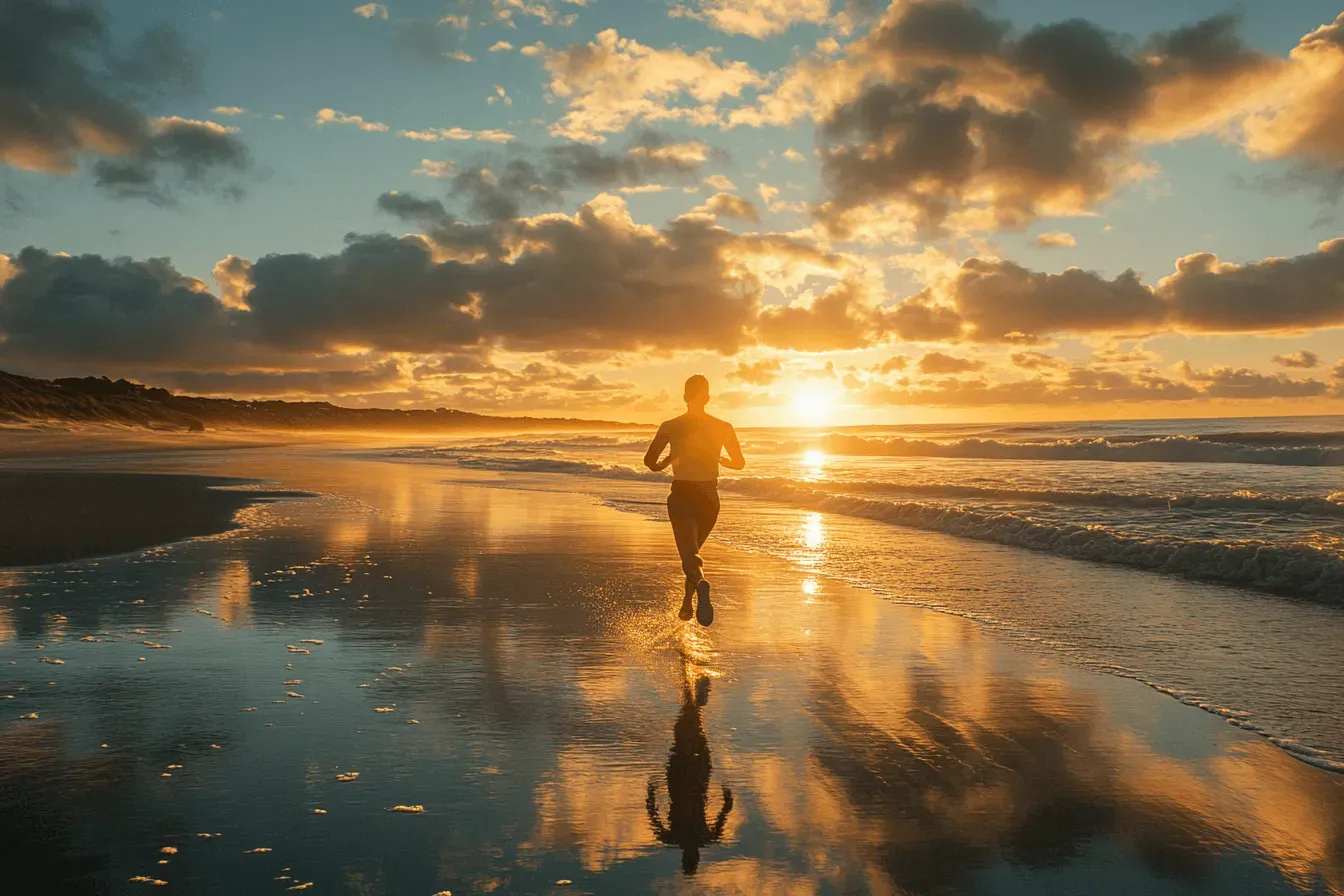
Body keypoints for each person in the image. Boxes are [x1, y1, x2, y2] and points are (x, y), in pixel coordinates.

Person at [643, 375, 745, 626]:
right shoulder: (724, 427)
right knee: (693, 552)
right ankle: (688, 602)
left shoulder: (670, 425)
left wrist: (670, 460)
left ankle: (700, 585)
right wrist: (720, 460)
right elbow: (740, 463)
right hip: (710, 497)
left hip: (682, 495)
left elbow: (650, 462)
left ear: (685, 397)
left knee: (690, 554)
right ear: (707, 397)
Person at [646, 674, 733, 875]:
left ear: (685, 857)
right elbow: (725, 811)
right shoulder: (697, 838)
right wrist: (726, 796)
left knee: (688, 728)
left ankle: (691, 683)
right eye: (693, 859)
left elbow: (653, 815)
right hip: (693, 782)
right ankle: (692, 685)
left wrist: (651, 794)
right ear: (695, 857)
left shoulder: (676, 838)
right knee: (690, 727)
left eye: (689, 859)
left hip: (683, 782)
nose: (692, 855)